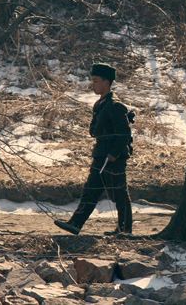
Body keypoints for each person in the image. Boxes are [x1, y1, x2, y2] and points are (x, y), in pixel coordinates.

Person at [54, 63, 133, 235]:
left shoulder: (115, 105)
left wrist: (113, 154)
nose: (93, 85)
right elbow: (95, 131)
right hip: (101, 155)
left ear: (107, 82)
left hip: (113, 158)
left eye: (96, 81)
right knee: (91, 191)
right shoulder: (100, 104)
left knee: (119, 194)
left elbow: (124, 135)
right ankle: (75, 224)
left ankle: (125, 230)